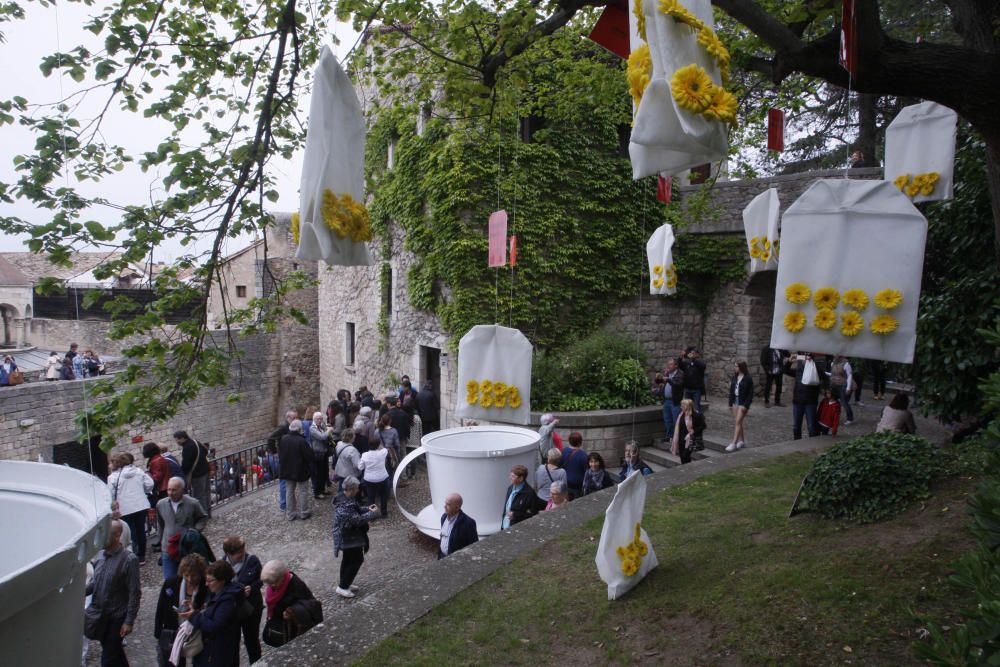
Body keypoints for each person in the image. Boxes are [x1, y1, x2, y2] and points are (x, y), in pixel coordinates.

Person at [86, 519, 141, 667]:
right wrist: (79, 592)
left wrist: (129, 621)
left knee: (109, 657)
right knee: (114, 653)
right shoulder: (101, 556)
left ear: (117, 536)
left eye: (106, 535)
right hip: (101, 616)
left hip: (116, 617)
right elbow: (95, 583)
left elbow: (135, 592)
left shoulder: (129, 559)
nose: (101, 538)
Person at [178, 560, 243, 667]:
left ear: (222, 580)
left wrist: (193, 616)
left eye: (210, 581)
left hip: (216, 654)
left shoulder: (227, 601)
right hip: (212, 651)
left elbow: (214, 626)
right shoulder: (217, 593)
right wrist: (194, 609)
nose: (206, 584)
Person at [153, 554, 209, 667]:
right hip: (174, 633)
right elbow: (161, 607)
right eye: (186, 575)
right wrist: (158, 633)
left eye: (194, 575)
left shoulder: (206, 588)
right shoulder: (172, 583)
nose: (190, 579)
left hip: (195, 636)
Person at [156, 477, 209, 582]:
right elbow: (161, 524)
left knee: (188, 578)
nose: (170, 493)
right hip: (168, 547)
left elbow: (203, 517)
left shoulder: (192, 503)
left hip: (187, 547)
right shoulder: (161, 504)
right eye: (169, 489)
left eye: (174, 490)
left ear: (181, 490)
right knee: (170, 580)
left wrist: (194, 531)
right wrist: (160, 541)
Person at [333, 476, 378, 598]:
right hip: (348, 537)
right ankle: (342, 587)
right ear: (351, 489)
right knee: (357, 560)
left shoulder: (346, 498)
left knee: (348, 560)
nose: (358, 490)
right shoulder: (344, 505)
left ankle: (345, 583)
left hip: (349, 536)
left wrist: (366, 509)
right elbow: (357, 520)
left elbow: (356, 510)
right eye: (357, 488)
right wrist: (371, 514)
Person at [260, 560, 322, 648]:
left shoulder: (296, 585)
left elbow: (312, 605)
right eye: (268, 584)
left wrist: (292, 612)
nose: (271, 586)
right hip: (279, 625)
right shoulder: (275, 585)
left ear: (282, 577)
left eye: (273, 583)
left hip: (293, 629)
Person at [222, 536, 264, 664]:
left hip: (251, 608)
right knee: (232, 642)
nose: (242, 554)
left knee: (251, 640)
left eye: (242, 550)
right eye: (238, 553)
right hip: (233, 610)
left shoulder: (252, 561)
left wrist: (251, 588)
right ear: (229, 554)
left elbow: (261, 579)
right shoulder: (222, 566)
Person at [108, 452, 154, 564]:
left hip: (125, 508)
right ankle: (142, 556)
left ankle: (133, 557)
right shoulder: (138, 471)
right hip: (141, 505)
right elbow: (150, 483)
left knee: (130, 533)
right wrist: (143, 491)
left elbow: (110, 494)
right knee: (141, 531)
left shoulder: (113, 477)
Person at [784, 353, 826, 440]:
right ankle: (797, 443)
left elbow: (825, 378)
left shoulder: (816, 368)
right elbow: (785, 370)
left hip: (810, 401)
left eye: (807, 357)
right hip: (798, 401)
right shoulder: (798, 370)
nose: (805, 359)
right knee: (796, 426)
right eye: (803, 357)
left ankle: (812, 444)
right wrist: (789, 362)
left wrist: (821, 387)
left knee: (811, 426)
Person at [279, 420, 313, 521]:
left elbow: (281, 454)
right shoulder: (301, 441)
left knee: (289, 491)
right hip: (300, 470)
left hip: (287, 469)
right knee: (303, 491)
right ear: (299, 429)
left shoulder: (283, 439)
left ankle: (290, 514)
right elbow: (309, 456)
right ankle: (304, 512)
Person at [175, 430, 211, 518]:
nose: (177, 442)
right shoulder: (195, 441)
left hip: (197, 474)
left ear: (182, 438)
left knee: (199, 495)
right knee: (206, 493)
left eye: (177, 440)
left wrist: (182, 472)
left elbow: (186, 464)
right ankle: (208, 513)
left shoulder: (187, 447)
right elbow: (206, 451)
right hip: (205, 470)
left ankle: (203, 515)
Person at [359, 429, 391, 518]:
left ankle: (372, 515)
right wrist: (380, 445)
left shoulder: (364, 455)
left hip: (369, 479)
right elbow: (384, 448)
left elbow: (360, 467)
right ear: (378, 445)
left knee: (371, 498)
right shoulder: (383, 453)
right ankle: (384, 513)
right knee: (383, 496)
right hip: (382, 477)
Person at [501, 465, 542, 529]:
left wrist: (515, 515)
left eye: (513, 476)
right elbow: (506, 508)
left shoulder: (529, 493)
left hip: (518, 527)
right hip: (505, 525)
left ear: (521, 478)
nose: (510, 477)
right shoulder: (510, 488)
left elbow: (533, 514)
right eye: (510, 475)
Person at [439, 493, 478, 558]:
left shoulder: (468, 523)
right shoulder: (443, 517)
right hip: (442, 557)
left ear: (457, 507)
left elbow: (474, 546)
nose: (444, 506)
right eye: (445, 503)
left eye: (448, 504)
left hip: (457, 561)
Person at [726, 361, 753, 451]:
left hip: (743, 402)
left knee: (738, 422)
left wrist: (746, 405)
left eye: (736, 366)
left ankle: (734, 443)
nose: (735, 368)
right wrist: (730, 403)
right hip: (735, 401)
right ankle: (742, 441)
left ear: (741, 367)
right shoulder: (735, 377)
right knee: (738, 422)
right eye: (735, 366)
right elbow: (731, 391)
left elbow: (750, 393)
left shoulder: (748, 378)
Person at [672, 398, 707, 464]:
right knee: (682, 457)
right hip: (681, 439)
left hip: (690, 439)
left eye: (682, 406)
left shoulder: (696, 415)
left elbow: (703, 426)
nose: (681, 407)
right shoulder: (681, 415)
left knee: (686, 456)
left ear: (687, 407)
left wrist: (693, 431)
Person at [309, 412, 333, 500]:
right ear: (314, 419)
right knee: (317, 474)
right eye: (318, 419)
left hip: (323, 453)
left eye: (321, 419)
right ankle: (317, 493)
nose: (320, 420)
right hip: (317, 454)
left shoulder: (321, 426)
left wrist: (326, 429)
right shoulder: (312, 429)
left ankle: (322, 490)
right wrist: (328, 431)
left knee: (323, 473)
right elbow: (322, 437)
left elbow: (327, 436)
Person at [560, 432, 589, 499]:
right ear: (580, 442)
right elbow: (587, 471)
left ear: (569, 441)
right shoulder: (583, 455)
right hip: (577, 486)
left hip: (565, 483)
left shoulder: (563, 451)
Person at [829, 355, 855, 425]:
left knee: (844, 402)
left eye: (836, 356)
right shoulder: (832, 363)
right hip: (834, 385)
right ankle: (832, 417)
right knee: (833, 401)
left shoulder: (846, 364)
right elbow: (832, 374)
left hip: (843, 385)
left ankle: (850, 418)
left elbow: (849, 376)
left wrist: (848, 388)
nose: (834, 357)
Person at [679, 347, 707, 412]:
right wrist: (681, 357)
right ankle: (688, 420)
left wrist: (693, 359)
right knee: (687, 407)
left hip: (696, 389)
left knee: (696, 407)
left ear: (697, 354)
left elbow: (703, 366)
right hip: (687, 388)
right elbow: (680, 365)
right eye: (691, 353)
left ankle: (697, 421)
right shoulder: (687, 362)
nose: (692, 354)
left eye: (693, 353)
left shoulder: (700, 362)